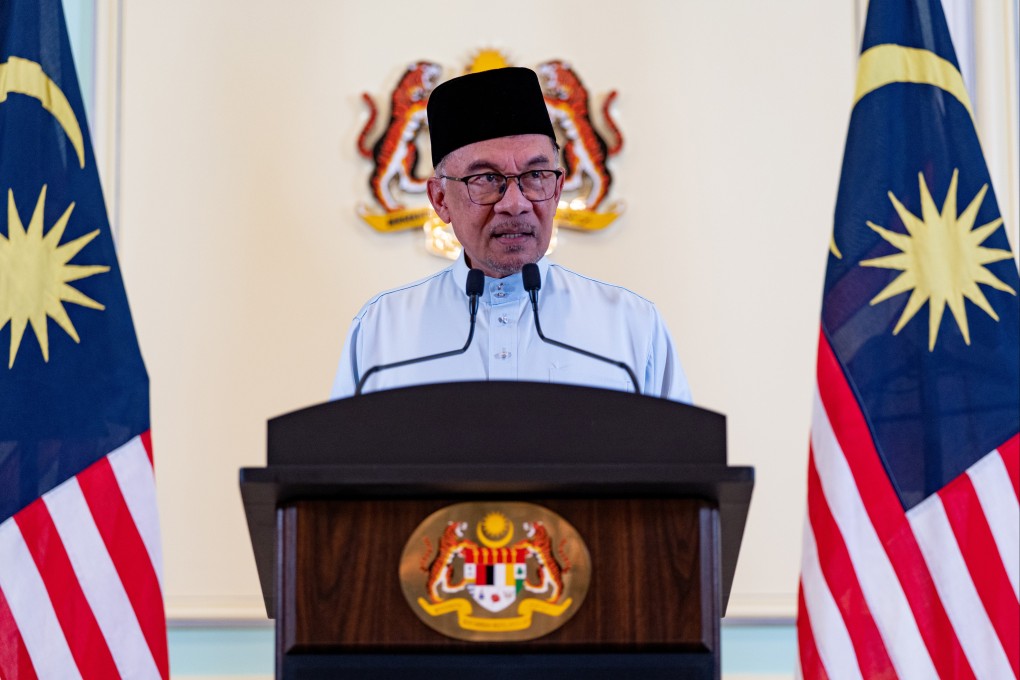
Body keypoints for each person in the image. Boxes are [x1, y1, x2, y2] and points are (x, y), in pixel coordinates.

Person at [330, 67, 691, 403]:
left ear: (559, 185)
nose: (515, 204)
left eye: (535, 176)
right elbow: (338, 467)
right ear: (441, 199)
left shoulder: (630, 325)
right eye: (486, 179)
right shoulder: (382, 331)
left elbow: (683, 464)